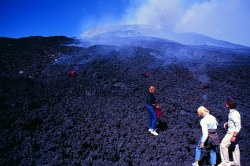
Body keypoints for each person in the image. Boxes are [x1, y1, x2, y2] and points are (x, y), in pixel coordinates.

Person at [218, 98, 241, 166]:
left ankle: (225, 162)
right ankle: (237, 163)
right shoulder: (232, 112)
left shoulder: (234, 114)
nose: (226, 104)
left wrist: (234, 136)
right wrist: (227, 124)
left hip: (232, 133)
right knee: (235, 147)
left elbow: (238, 125)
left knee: (223, 145)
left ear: (228, 105)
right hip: (233, 132)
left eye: (227, 103)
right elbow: (233, 122)